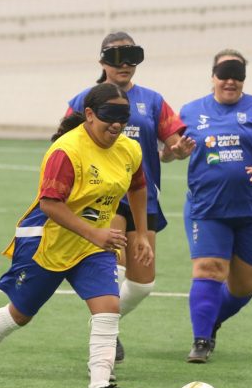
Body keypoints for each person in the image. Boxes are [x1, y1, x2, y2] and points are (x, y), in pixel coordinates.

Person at [0, 83, 153, 388]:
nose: (117, 124)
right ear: (89, 115)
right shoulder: (67, 151)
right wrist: (96, 234)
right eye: (109, 116)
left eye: (123, 116)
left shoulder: (128, 149)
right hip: (46, 241)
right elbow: (49, 204)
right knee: (20, 314)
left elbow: (138, 187)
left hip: (92, 245)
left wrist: (141, 234)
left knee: (108, 307)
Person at [66, 31, 195, 364]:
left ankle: (107, 319)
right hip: (103, 195)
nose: (125, 66)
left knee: (143, 283)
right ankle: (106, 335)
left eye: (131, 58)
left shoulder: (152, 101)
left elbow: (170, 149)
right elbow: (62, 143)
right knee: (117, 265)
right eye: (116, 58)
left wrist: (177, 151)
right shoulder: (84, 99)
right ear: (102, 63)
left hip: (142, 195)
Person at [178, 49, 252, 363]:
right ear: (212, 76)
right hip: (208, 208)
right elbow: (170, 151)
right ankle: (201, 340)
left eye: (237, 75)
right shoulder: (190, 112)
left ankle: (212, 319)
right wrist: (177, 149)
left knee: (244, 287)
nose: (230, 81)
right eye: (224, 73)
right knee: (208, 269)